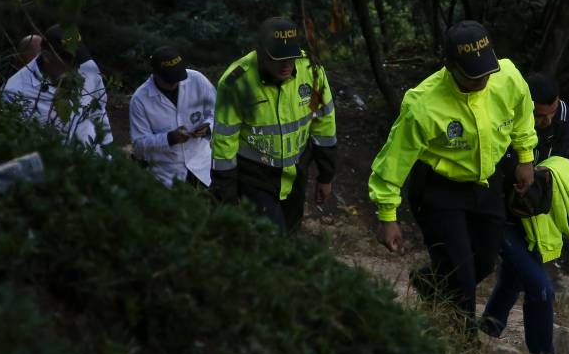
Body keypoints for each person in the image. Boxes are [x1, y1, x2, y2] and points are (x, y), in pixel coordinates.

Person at [368, 20, 538, 332]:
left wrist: (525, 157)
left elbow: (522, 112)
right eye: (473, 75)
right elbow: (392, 162)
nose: (483, 79)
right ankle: (462, 344)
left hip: (485, 184)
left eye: (487, 71)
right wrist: (387, 215)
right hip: (438, 191)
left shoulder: (507, 76)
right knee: (461, 274)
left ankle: (430, 281)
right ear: (450, 66)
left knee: (484, 261)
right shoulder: (422, 104)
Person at [210, 17, 337, 234]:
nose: (287, 65)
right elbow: (224, 143)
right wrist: (226, 196)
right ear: (260, 52)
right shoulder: (236, 82)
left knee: (291, 233)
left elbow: (323, 124)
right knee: (272, 239)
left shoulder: (311, 71)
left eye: (291, 57)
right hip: (255, 175)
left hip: (296, 172)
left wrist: (326, 175)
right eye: (278, 58)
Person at [480, 74, 569, 354]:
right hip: (494, 211)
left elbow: (562, 160)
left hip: (530, 215)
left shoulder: (563, 116)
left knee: (513, 279)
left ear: (557, 104)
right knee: (541, 289)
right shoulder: (506, 115)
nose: (542, 122)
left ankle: (488, 328)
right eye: (536, 115)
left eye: (547, 115)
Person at [2, 24, 113, 153]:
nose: (76, 67)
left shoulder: (87, 66)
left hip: (94, 160)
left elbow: (98, 112)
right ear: (47, 56)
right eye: (68, 60)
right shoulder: (15, 90)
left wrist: (108, 150)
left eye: (77, 60)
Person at [129, 46, 216, 188]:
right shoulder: (140, 100)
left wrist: (208, 127)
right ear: (155, 74)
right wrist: (169, 138)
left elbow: (217, 113)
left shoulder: (197, 80)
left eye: (177, 77)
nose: (174, 83)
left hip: (203, 167)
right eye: (169, 79)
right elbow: (138, 146)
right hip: (167, 175)